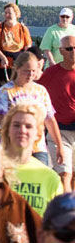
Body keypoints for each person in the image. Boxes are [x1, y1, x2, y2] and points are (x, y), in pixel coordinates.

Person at [0, 52, 64, 167]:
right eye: (27, 71)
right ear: (17, 68)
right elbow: (3, 121)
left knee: (40, 179)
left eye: (34, 71)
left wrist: (59, 146)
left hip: (37, 145)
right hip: (12, 144)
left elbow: (50, 120)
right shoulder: (6, 91)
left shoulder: (41, 91)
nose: (30, 74)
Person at [1, 102, 64, 214]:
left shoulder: (50, 178)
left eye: (28, 126)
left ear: (38, 134)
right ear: (7, 130)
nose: (22, 130)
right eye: (16, 125)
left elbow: (57, 224)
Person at [39, 32, 75, 193]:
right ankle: (67, 215)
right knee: (64, 175)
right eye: (69, 48)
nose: (73, 51)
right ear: (60, 51)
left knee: (72, 175)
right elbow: (35, 93)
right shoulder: (51, 73)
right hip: (59, 131)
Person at [0, 3, 32, 91]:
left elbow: (27, 48)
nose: (7, 15)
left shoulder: (23, 29)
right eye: (5, 13)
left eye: (9, 13)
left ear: (16, 14)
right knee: (2, 90)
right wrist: (3, 58)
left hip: (17, 64)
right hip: (2, 64)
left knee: (17, 90)